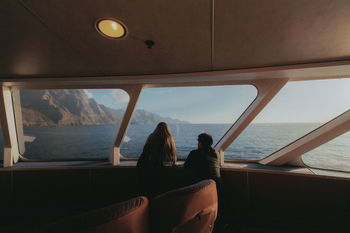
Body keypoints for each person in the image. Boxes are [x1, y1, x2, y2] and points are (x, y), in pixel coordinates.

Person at [184, 133, 224, 228]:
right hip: (217, 188)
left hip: (203, 189)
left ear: (200, 143)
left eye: (198, 142)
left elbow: (186, 167)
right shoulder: (215, 154)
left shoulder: (194, 153)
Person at [137, 122, 177, 198]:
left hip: (147, 168)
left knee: (147, 192)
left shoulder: (151, 136)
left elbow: (145, 152)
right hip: (161, 170)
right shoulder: (169, 138)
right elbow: (173, 153)